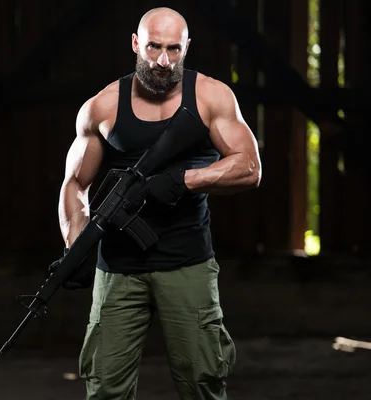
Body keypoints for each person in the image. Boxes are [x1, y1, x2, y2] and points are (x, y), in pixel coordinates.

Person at [53, 6, 261, 400]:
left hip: (187, 263)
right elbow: (75, 183)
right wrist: (75, 244)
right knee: (105, 387)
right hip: (117, 268)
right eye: (153, 47)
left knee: (202, 381)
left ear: (186, 48)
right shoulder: (103, 106)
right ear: (135, 43)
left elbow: (249, 168)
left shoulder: (212, 96)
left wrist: (184, 181)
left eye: (173, 50)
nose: (163, 61)